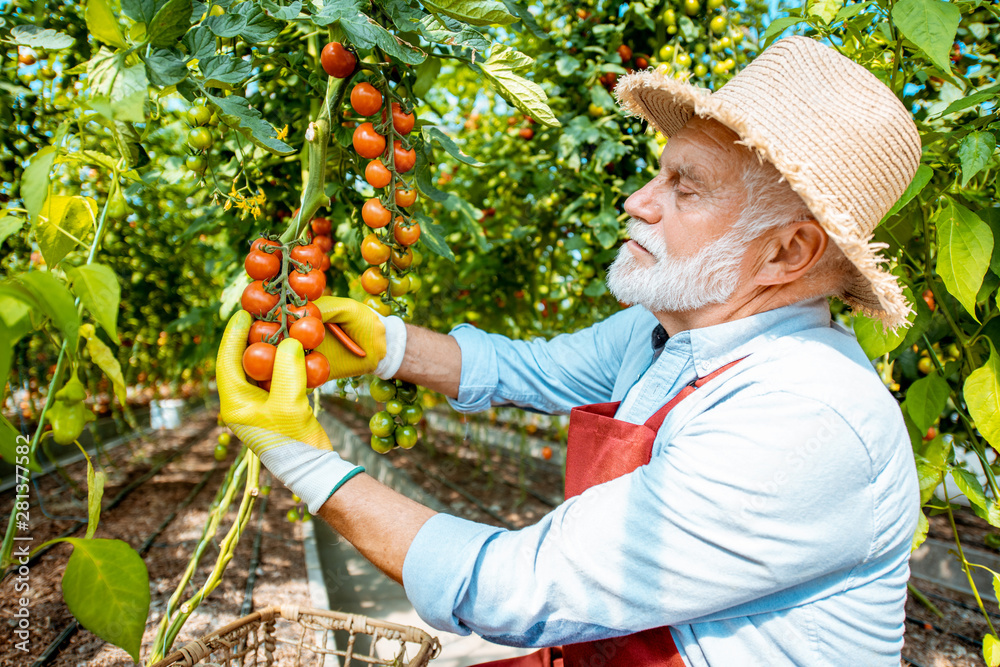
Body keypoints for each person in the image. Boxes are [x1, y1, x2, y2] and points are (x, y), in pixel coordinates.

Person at [217, 36, 921, 666]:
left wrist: (302, 459)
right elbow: (532, 369)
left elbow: (523, 588)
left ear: (787, 251)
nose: (638, 202)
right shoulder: (671, 329)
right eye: (660, 172)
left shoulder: (806, 416)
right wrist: (385, 345)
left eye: (686, 187)